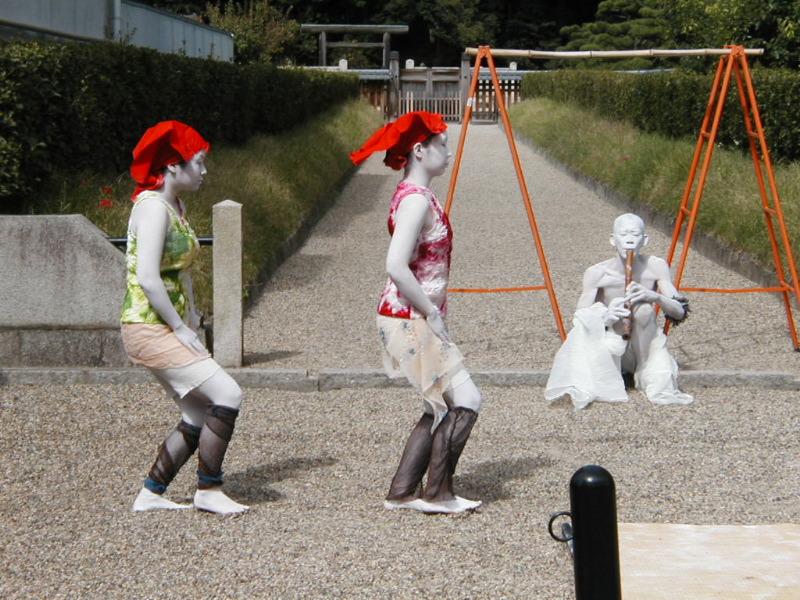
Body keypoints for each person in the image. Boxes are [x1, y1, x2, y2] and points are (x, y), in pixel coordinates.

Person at [351, 111, 483, 514]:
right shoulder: (413, 200)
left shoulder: (418, 196)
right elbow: (395, 264)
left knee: (436, 403)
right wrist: (431, 310)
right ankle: (438, 492)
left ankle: (403, 490)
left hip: (411, 315)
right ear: (419, 150)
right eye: (441, 142)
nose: (448, 149)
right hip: (408, 317)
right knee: (467, 399)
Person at [121, 121, 248, 515]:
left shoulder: (174, 206)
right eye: (198, 162)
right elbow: (146, 276)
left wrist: (189, 318)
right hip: (148, 325)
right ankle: (209, 489)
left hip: (165, 323)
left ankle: (152, 491)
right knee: (228, 394)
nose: (204, 170)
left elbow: (180, 273)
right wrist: (178, 326)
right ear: (172, 166)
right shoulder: (153, 209)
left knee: (195, 411)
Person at [545, 213, 693, 409]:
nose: (630, 239)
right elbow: (579, 316)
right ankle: (618, 370)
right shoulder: (597, 273)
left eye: (635, 234)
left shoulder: (656, 266)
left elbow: (679, 312)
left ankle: (644, 367)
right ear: (613, 240)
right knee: (616, 308)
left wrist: (655, 296)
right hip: (612, 339)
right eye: (624, 234)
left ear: (645, 239)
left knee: (643, 310)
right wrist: (605, 316)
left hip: (645, 342)